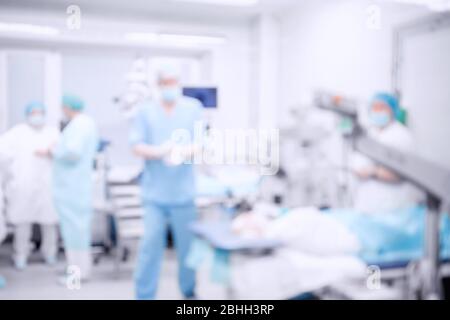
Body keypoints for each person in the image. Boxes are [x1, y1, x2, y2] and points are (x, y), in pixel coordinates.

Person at [130, 65, 203, 300]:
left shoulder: (193, 109)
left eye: (174, 82)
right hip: (155, 195)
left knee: (188, 250)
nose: (171, 87)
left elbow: (202, 144)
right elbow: (136, 146)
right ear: (159, 85)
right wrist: (160, 151)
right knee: (150, 248)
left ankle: (189, 293)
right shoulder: (145, 112)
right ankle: (144, 295)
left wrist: (184, 152)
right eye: (166, 83)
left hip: (184, 195)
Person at [36, 95, 98, 281]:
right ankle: (77, 269)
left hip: (73, 188)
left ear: (67, 106)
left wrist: (51, 151)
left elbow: (72, 152)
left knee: (74, 232)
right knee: (75, 232)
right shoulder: (83, 123)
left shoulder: (79, 125)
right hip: (74, 187)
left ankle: (77, 274)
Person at [0, 102, 59, 270]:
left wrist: (52, 152)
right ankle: (21, 255)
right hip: (23, 183)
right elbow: (2, 152)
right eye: (34, 113)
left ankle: (50, 253)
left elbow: (63, 153)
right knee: (22, 222)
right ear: (27, 114)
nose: (37, 116)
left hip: (47, 184)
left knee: (49, 222)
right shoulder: (17, 133)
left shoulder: (52, 132)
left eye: (40, 112)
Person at [352, 93, 424, 214]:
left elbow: (403, 173)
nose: (378, 111)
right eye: (375, 108)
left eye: (382, 108)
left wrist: (372, 171)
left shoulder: (401, 135)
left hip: (393, 207)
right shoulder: (370, 134)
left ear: (393, 111)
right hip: (367, 206)